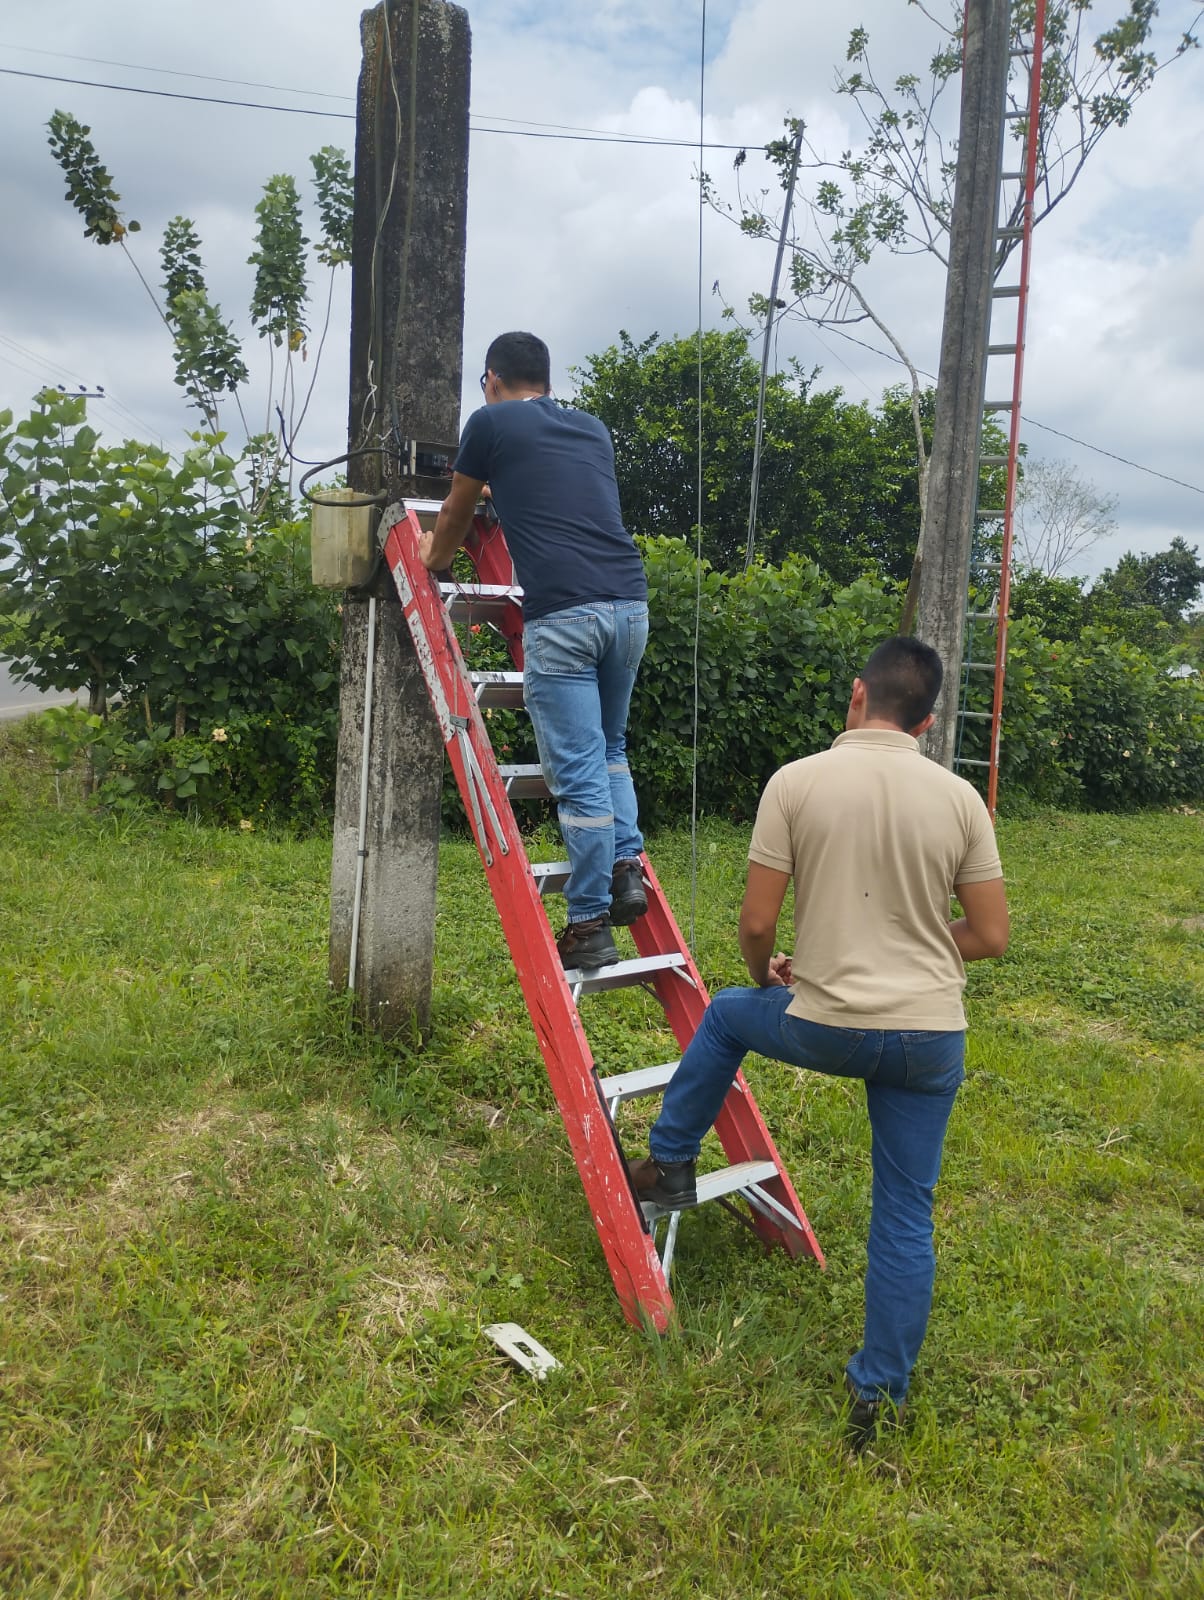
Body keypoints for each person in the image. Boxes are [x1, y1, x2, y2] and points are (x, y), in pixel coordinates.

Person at [627, 636, 1009, 1450]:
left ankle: (670, 1161)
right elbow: (989, 934)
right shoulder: (960, 799)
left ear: (857, 694)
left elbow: (756, 923)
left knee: (728, 1015)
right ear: (928, 720)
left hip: (830, 1023)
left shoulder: (797, 781)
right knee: (905, 1213)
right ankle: (880, 1397)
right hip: (930, 1037)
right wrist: (910, 945)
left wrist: (770, 975)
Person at [419, 331, 649, 972]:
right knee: (611, 750)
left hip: (565, 614)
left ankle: (589, 922)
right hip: (630, 606)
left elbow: (456, 514)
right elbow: (559, 493)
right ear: (546, 380)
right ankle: (626, 868)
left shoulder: (488, 423)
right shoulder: (592, 429)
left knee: (578, 777)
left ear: (491, 379)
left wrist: (432, 557)